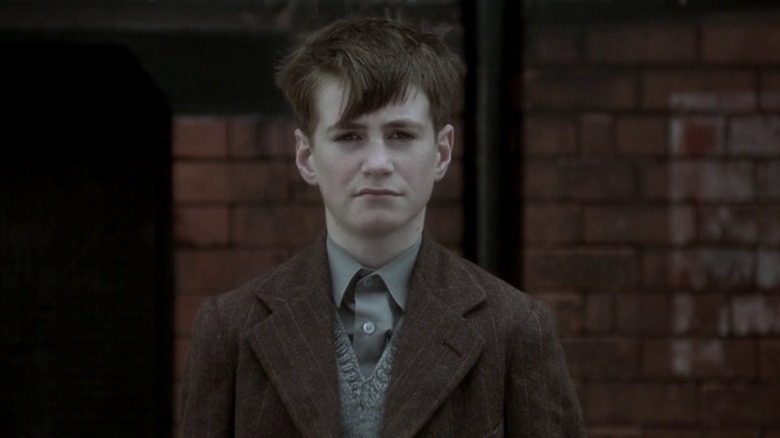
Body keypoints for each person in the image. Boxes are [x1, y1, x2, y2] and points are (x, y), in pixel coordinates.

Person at [179, 16, 585, 437]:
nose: (377, 163)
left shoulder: (515, 329)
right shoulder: (229, 330)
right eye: (349, 136)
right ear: (306, 156)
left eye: (400, 135)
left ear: (442, 152)